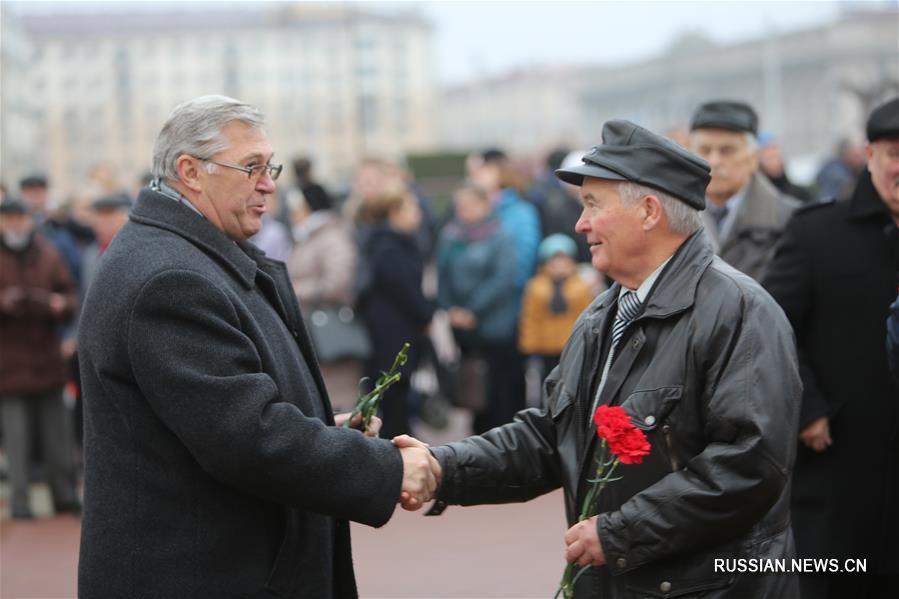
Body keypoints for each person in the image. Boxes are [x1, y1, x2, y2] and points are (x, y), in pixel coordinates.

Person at [406, 120, 801, 598]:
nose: (580, 223)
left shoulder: (739, 310)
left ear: (650, 211)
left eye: (594, 204)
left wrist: (620, 533)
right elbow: (553, 435)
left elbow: (750, 464)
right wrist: (444, 467)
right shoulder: (603, 312)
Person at [76, 95, 439, 599]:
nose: (269, 183)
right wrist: (387, 468)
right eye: (250, 168)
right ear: (191, 171)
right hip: (198, 575)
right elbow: (248, 439)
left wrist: (322, 426)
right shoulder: (171, 277)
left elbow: (218, 412)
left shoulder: (187, 255)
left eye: (269, 166)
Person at [762, 96, 899, 599]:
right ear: (869, 154)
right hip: (839, 463)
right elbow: (771, 327)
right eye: (893, 153)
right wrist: (808, 408)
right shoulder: (818, 232)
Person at [0, 197, 80, 520]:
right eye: (9, 219)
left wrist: (60, 305)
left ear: (29, 220)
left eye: (19, 218)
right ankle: (20, 503)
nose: (15, 224)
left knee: (58, 436)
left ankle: (65, 497)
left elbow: (72, 295)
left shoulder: (49, 253)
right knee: (16, 440)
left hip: (47, 359)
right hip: (9, 363)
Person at [436, 183, 520, 434]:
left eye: (470, 206)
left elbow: (503, 278)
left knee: (497, 390)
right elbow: (441, 275)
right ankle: (478, 439)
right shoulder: (450, 236)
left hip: (494, 326)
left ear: (485, 206)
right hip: (463, 329)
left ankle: (501, 439)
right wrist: (450, 308)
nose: (464, 212)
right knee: (473, 389)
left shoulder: (499, 236)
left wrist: (473, 311)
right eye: (460, 207)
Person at [688, 100, 799, 281]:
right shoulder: (669, 221)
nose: (713, 161)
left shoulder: (789, 220)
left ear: (753, 157)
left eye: (727, 150)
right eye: (704, 150)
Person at [357, 185, 434, 439]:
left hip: (393, 331)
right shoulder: (389, 246)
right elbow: (405, 289)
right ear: (394, 212)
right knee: (393, 399)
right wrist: (426, 315)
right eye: (412, 209)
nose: (418, 215)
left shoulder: (389, 241)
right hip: (391, 334)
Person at [518, 233, 594, 380]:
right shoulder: (536, 286)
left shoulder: (580, 286)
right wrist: (529, 345)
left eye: (564, 261)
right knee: (545, 381)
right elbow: (530, 318)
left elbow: (587, 318)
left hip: (571, 345)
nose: (559, 266)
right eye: (554, 261)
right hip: (545, 347)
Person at [757, 131, 813, 203]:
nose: (775, 162)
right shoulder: (757, 198)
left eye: (777, 157)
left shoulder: (800, 194)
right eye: (769, 158)